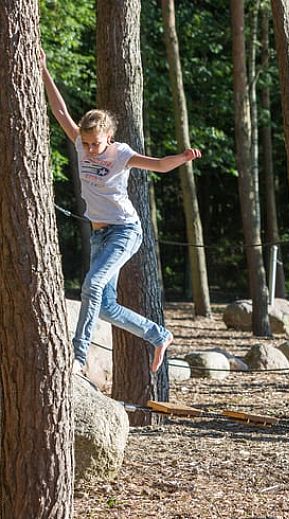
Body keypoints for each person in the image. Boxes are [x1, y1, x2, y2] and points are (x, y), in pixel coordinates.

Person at [40, 50, 202, 375]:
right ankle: (159, 335)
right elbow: (59, 111)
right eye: (85, 144)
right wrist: (43, 70)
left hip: (126, 230)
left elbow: (157, 165)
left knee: (93, 285)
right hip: (100, 235)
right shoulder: (80, 143)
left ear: (108, 137)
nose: (89, 149)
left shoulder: (120, 153)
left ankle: (78, 356)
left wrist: (182, 157)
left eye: (95, 144)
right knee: (106, 306)